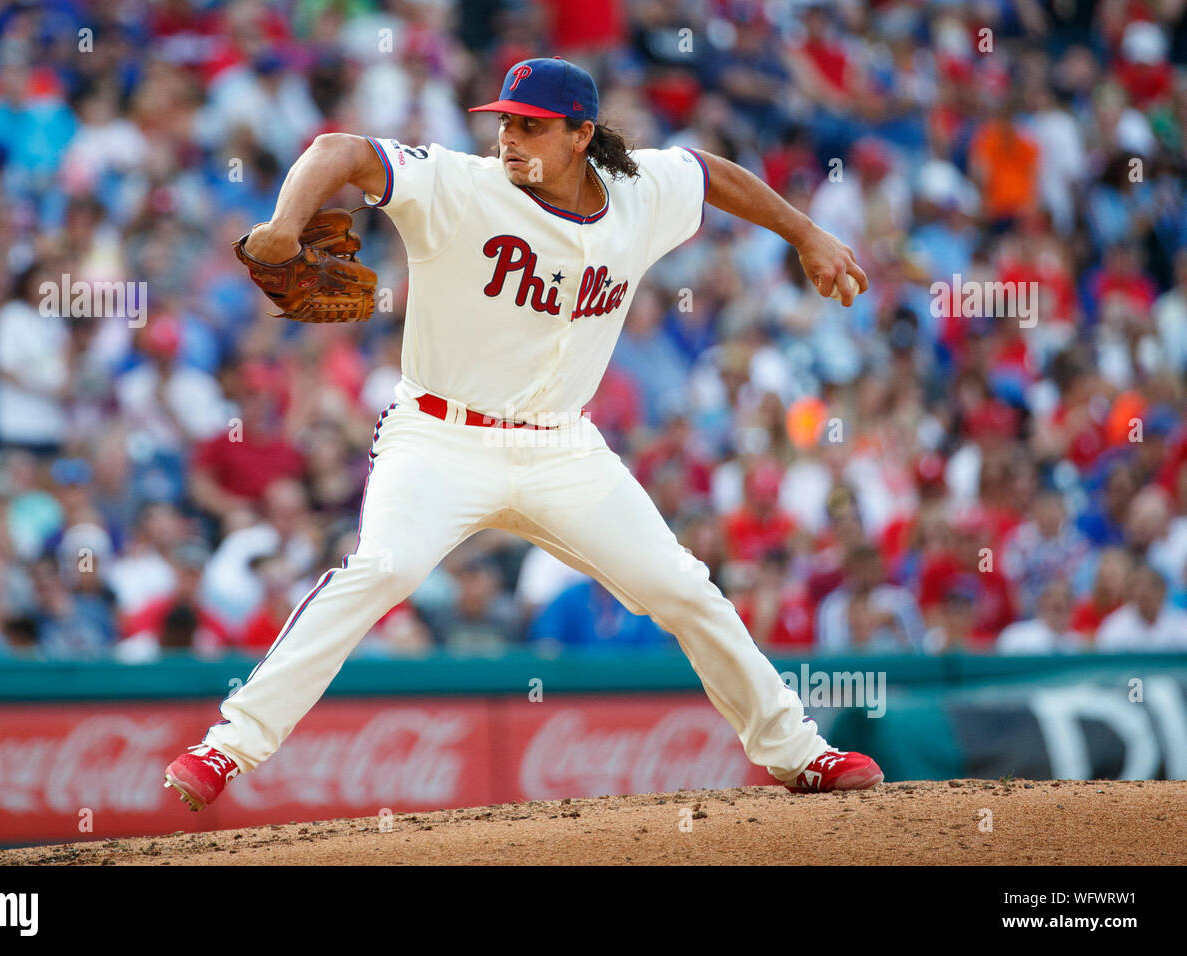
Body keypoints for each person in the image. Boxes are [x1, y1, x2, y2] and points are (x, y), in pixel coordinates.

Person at [164, 58, 882, 811]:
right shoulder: (461, 187)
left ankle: (801, 754)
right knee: (383, 569)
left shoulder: (640, 192)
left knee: (683, 587)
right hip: (440, 438)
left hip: (563, 449)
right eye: (504, 120)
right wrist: (282, 226)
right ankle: (225, 749)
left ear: (581, 135)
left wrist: (805, 234)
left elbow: (708, 173)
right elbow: (337, 150)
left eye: (530, 125)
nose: (509, 137)